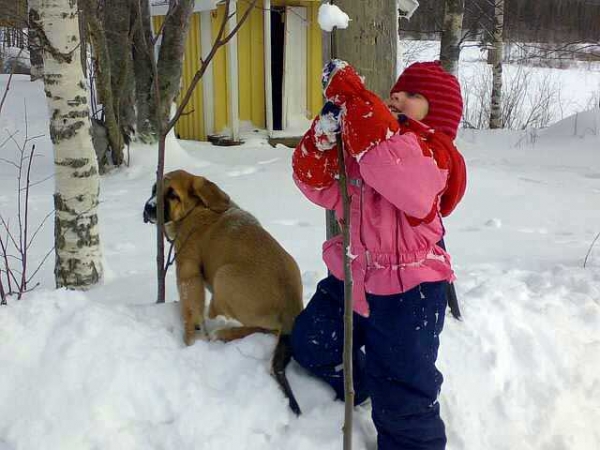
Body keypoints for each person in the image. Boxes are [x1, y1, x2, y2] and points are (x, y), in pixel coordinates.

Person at [290, 60, 466, 450]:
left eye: (413, 95)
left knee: (403, 396)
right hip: (352, 280)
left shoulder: (437, 154)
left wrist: (354, 98)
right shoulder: (368, 149)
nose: (398, 96)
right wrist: (322, 137)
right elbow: (316, 184)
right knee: (311, 343)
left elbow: (398, 173)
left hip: (410, 296)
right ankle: (363, 380)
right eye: (397, 92)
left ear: (439, 112)